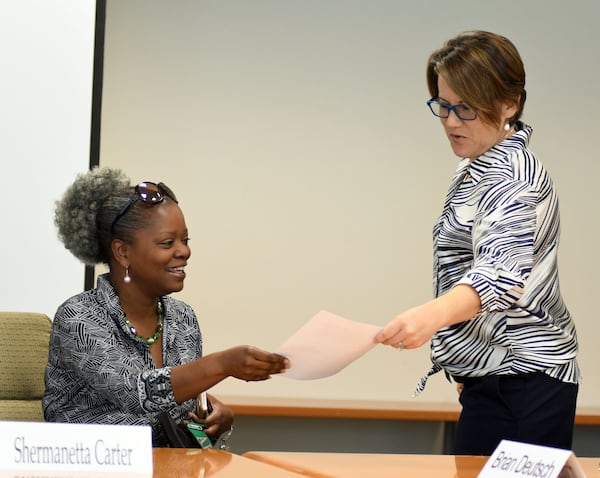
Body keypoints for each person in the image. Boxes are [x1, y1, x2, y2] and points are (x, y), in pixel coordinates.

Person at [375, 31, 580, 455]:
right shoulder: (475, 167)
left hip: (524, 383)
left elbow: (500, 278)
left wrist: (429, 317)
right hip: (495, 379)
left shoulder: (513, 177)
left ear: (510, 104)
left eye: (465, 108)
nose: (450, 121)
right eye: (443, 106)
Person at [43, 167, 289, 447]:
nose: (184, 251)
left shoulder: (183, 319)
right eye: (167, 243)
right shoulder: (80, 318)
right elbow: (137, 393)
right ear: (123, 252)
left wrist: (212, 413)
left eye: (185, 240)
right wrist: (223, 364)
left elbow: (175, 406)